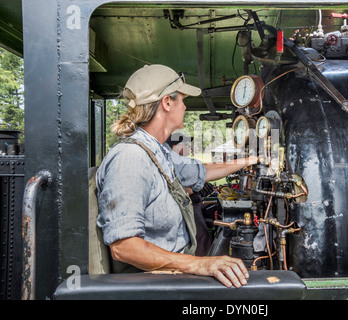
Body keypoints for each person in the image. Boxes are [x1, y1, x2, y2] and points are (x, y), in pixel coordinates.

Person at [96, 64, 258, 288]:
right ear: (167, 102)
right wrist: (198, 264)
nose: (184, 105)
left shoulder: (157, 152)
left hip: (173, 276)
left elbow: (203, 171)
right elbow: (124, 247)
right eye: (182, 99)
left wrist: (250, 160)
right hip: (153, 286)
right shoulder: (130, 158)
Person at [166, 132, 214, 256]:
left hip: (193, 204)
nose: (189, 147)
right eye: (186, 144)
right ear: (175, 146)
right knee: (201, 239)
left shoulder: (181, 161)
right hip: (188, 207)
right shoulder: (173, 163)